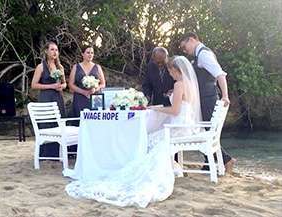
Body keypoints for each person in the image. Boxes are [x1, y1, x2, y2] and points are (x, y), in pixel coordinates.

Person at [63, 56, 201, 207]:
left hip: (177, 128)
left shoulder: (179, 84)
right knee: (151, 137)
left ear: (176, 70)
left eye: (171, 71)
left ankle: (159, 171)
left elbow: (175, 110)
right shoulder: (189, 84)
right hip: (185, 125)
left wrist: (156, 108)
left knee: (149, 140)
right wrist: (158, 108)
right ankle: (171, 166)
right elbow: (182, 108)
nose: (170, 74)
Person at [180, 32, 235, 173]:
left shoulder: (204, 55)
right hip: (204, 97)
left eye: (184, 46)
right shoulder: (199, 55)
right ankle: (208, 163)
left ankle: (227, 160)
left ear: (191, 40)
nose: (185, 50)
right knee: (207, 131)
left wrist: (225, 96)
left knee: (208, 131)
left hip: (208, 98)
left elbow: (220, 74)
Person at [31, 41, 66, 157]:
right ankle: (46, 153)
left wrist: (62, 86)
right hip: (46, 99)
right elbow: (34, 85)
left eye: (56, 50)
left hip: (58, 98)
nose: (55, 52)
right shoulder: (40, 67)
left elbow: (65, 83)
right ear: (46, 51)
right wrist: (51, 86)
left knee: (58, 123)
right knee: (47, 123)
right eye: (52, 49)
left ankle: (58, 153)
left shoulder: (60, 67)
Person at [69, 45, 106, 118]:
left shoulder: (97, 67)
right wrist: (83, 92)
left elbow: (103, 83)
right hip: (80, 98)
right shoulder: (76, 67)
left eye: (92, 53)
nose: (90, 55)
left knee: (96, 120)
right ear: (82, 54)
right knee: (80, 120)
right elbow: (71, 84)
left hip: (95, 98)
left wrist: (96, 88)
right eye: (88, 52)